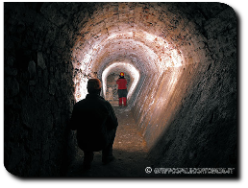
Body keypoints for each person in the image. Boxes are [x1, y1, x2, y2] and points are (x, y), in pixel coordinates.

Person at [69, 78, 118, 169]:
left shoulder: (79, 105)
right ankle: (107, 156)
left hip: (83, 142)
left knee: (87, 136)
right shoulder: (105, 105)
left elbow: (73, 126)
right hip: (101, 142)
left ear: (88, 89)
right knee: (113, 126)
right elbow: (113, 124)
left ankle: (87, 158)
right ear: (99, 90)